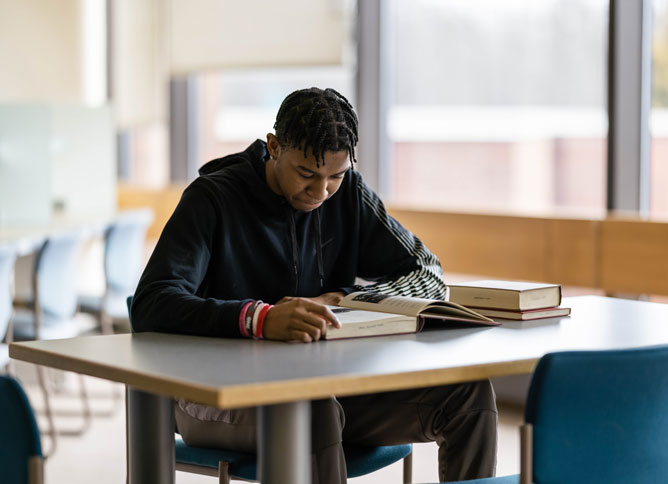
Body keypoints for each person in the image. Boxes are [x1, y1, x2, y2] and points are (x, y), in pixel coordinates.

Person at [131, 87, 497, 483]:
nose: (321, 192)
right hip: (214, 396)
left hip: (326, 389)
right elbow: (152, 302)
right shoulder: (213, 198)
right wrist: (259, 318)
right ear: (274, 147)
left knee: (468, 395)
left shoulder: (349, 196)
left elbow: (427, 270)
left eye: (334, 177)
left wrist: (348, 300)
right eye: (307, 174)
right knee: (310, 410)